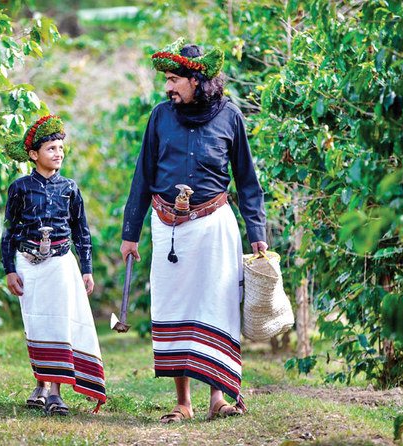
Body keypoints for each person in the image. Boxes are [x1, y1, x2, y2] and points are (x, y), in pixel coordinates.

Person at [120, 38, 268, 422]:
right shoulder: (159, 116)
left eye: (174, 79)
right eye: (167, 79)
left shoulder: (230, 116)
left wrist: (258, 232)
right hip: (168, 227)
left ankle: (217, 398)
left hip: (214, 226)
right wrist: (130, 233)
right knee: (174, 307)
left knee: (216, 306)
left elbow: (247, 181)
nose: (168, 87)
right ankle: (182, 403)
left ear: (198, 80)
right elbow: (143, 175)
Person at [1, 114, 106, 415]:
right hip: (28, 263)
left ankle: (56, 392)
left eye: (60, 147)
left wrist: (86, 269)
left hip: (61, 262)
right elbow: (9, 231)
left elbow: (81, 231)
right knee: (36, 322)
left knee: (59, 322)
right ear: (34, 155)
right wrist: (9, 269)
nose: (58, 153)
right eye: (51, 148)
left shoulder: (70, 188)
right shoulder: (19, 188)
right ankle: (41, 382)